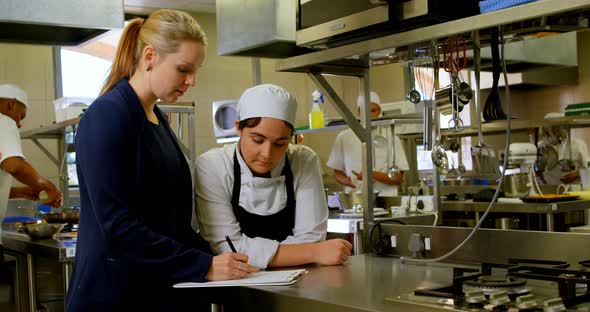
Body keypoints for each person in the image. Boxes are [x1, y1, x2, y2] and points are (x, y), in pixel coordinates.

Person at [66, 10, 257, 312]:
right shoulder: (107, 116)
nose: (192, 81)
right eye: (183, 69)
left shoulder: (157, 118)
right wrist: (203, 265)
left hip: (157, 292)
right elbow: (118, 226)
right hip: (115, 296)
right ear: (150, 56)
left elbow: (172, 223)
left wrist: (225, 263)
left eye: (196, 71)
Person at [195, 84, 352, 269]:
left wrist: (309, 248)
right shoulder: (213, 165)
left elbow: (312, 237)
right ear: (238, 127)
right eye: (257, 140)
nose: (267, 154)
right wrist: (313, 252)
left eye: (280, 143)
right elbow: (227, 247)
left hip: (298, 280)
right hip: (234, 285)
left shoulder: (303, 160)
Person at [0, 84, 62, 257]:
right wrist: (48, 186)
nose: (19, 124)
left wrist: (22, 191)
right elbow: (14, 165)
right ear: (11, 104)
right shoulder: (4, 121)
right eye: (21, 116)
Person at [327, 91, 409, 196]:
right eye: (364, 111)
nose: (369, 115)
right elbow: (337, 172)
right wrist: (347, 182)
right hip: (355, 199)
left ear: (379, 111)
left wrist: (370, 174)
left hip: (385, 199)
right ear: (358, 112)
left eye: (373, 111)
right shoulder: (344, 137)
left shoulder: (392, 138)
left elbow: (398, 178)